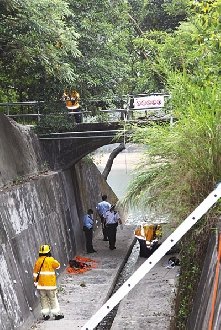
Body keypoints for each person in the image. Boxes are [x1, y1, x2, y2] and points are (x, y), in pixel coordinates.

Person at [33, 244, 64, 321]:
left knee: (43, 299)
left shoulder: (38, 261)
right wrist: (53, 259)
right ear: (48, 252)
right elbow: (58, 266)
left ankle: (45, 315)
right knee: (52, 299)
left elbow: (35, 273)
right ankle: (56, 314)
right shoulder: (50, 260)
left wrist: (35, 282)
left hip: (41, 285)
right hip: (50, 285)